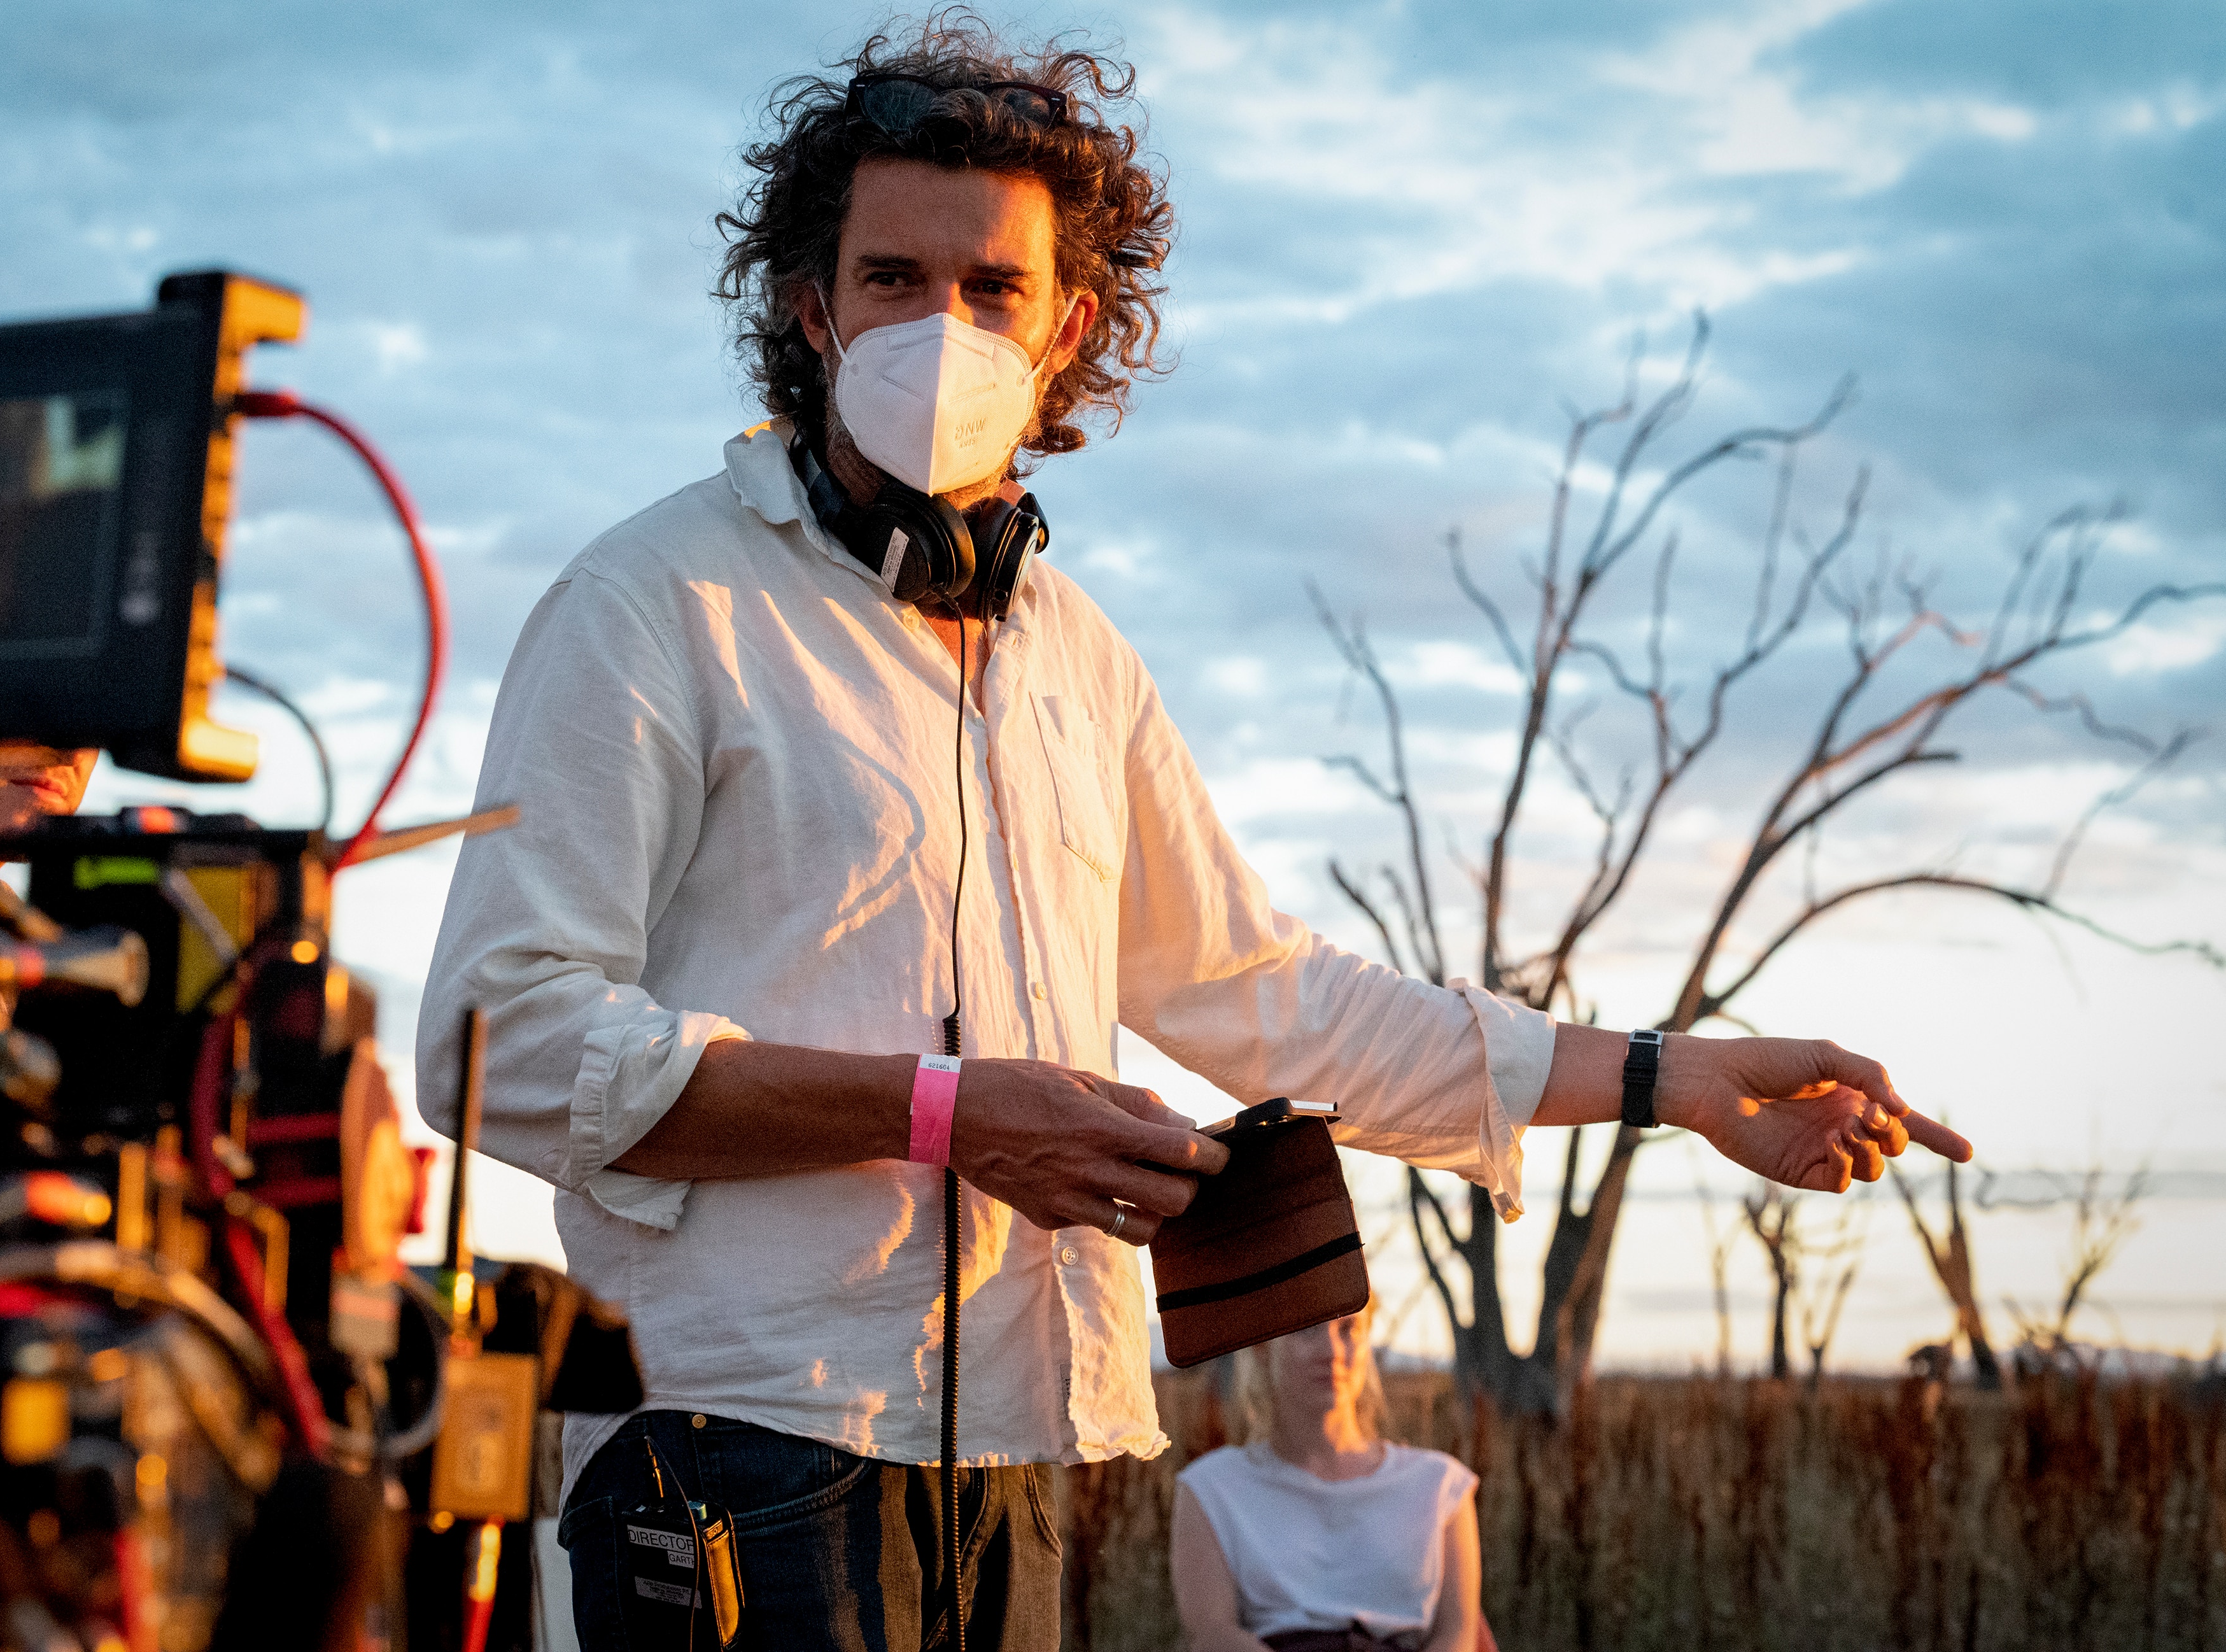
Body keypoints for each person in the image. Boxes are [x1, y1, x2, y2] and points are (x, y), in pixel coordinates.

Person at [416, 20, 1971, 1649]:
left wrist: (1664, 1078)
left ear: (1067, 328)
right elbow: (495, 1037)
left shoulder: (1076, 658)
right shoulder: (652, 602)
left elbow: (1269, 995)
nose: (940, 327)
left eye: (993, 288)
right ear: (813, 309)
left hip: (1014, 1458)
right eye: (891, 279)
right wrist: (945, 1112)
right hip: (733, 1456)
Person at [1174, 1315, 1486, 1652]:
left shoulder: (1438, 1484)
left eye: (1348, 1329)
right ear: (1262, 1347)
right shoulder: (1212, 1489)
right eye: (1306, 1329)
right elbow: (1214, 1635)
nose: (1332, 1351)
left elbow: (1458, 1635)